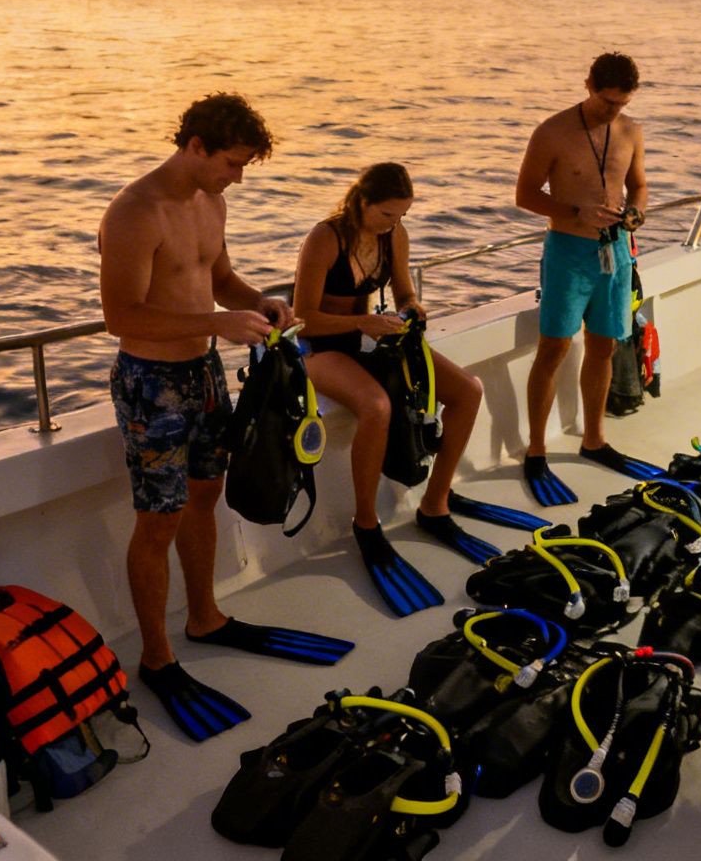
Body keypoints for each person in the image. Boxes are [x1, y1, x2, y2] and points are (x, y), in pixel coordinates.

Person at [98, 92, 352, 744]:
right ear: (196, 147)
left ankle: (205, 616)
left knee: (206, 499)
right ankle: (157, 657)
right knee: (158, 519)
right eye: (232, 163)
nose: (238, 176)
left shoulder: (212, 201)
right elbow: (120, 317)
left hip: (204, 371)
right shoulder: (134, 211)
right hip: (151, 382)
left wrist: (260, 302)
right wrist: (215, 321)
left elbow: (219, 279)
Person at [292, 162, 537, 618]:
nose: (394, 223)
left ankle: (435, 503)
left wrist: (412, 307)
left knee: (467, 390)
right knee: (376, 406)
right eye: (387, 214)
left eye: (401, 215)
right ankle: (366, 522)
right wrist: (361, 322)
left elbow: (404, 291)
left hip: (375, 337)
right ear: (361, 202)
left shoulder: (393, 236)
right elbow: (301, 316)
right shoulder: (325, 238)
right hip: (319, 348)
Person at [513, 52, 659, 505]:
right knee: (554, 347)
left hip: (615, 251)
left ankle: (594, 439)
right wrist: (577, 211)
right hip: (568, 253)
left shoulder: (631, 131)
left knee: (604, 345)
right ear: (588, 85)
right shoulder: (552, 131)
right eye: (605, 101)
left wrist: (636, 213)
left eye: (620, 103)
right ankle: (536, 449)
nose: (612, 110)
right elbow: (524, 194)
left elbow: (638, 184)